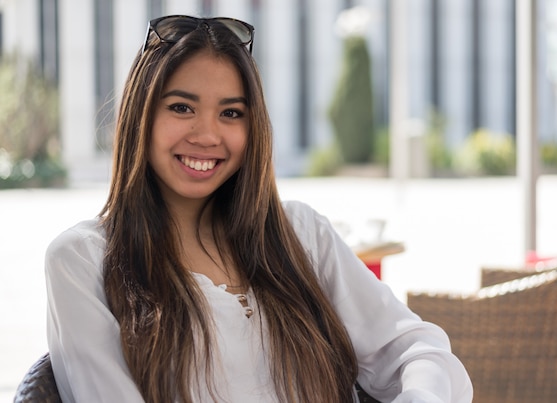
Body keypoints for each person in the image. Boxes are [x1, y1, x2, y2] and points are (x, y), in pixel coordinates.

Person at [45, 15, 473, 403]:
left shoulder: (301, 234)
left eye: (231, 113)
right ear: (140, 115)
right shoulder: (82, 259)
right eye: (181, 107)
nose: (207, 134)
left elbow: (418, 349)